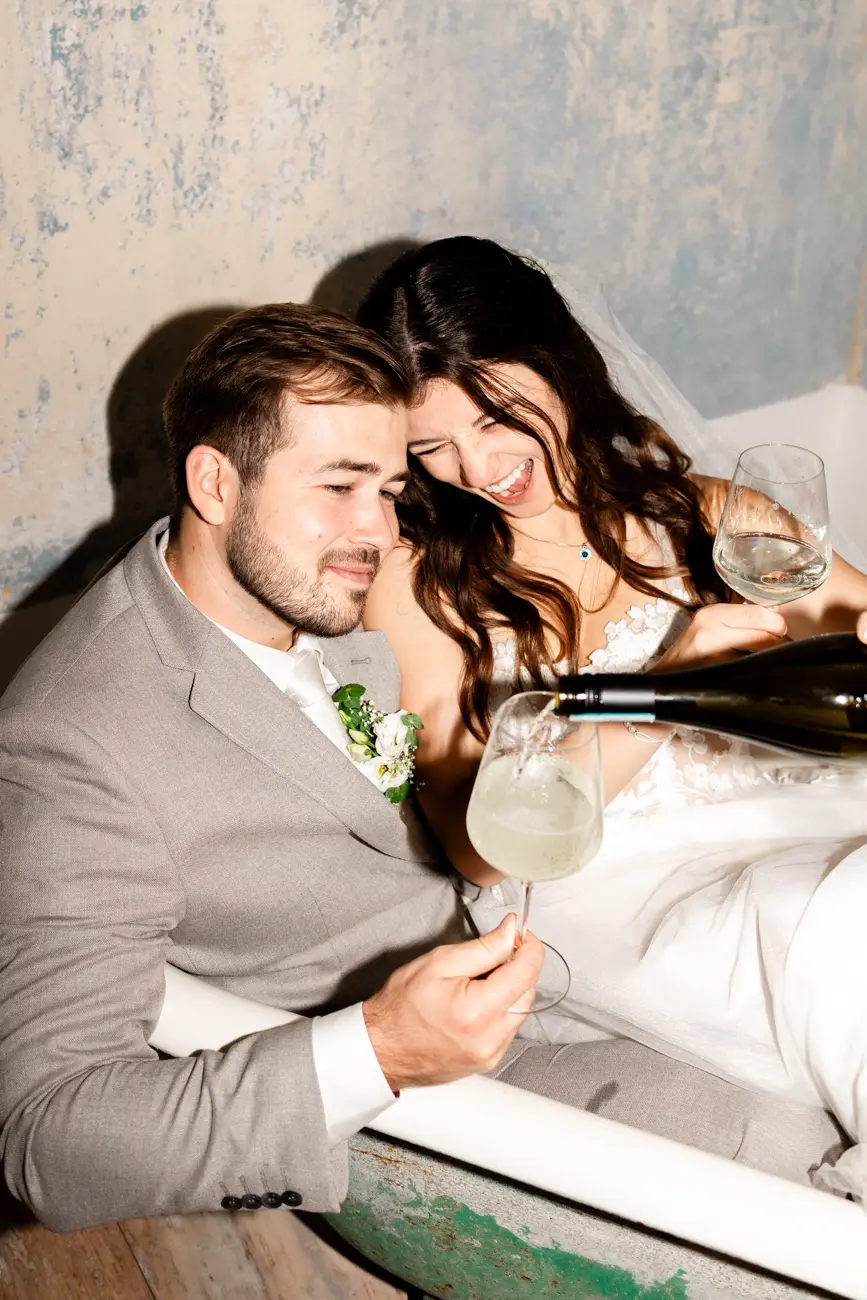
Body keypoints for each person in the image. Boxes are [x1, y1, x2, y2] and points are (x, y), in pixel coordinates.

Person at [2, 303, 827, 1233]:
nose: (378, 531)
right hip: (457, 1073)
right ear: (214, 482)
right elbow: (48, 1144)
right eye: (340, 486)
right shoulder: (71, 745)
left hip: (568, 929)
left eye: (391, 488)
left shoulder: (321, 577)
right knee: (792, 1137)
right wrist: (380, 1049)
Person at [358, 237, 867, 1190]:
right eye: (431, 447)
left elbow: (853, 622)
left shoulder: (702, 513)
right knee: (845, 912)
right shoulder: (419, 583)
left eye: (496, 417)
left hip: (793, 815)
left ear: (558, 364)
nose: (477, 465)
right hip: (616, 890)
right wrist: (662, 690)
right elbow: (479, 851)